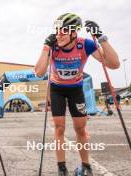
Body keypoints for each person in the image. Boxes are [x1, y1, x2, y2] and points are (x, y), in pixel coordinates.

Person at [35, 13, 119, 176]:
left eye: (64, 30)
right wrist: (46, 47)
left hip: (75, 89)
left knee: (80, 129)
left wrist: (101, 37)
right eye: (57, 30)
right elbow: (39, 72)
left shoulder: (85, 44)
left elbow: (114, 64)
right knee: (59, 128)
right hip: (57, 89)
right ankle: (61, 168)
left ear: (75, 33)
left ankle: (86, 166)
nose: (59, 33)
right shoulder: (53, 45)